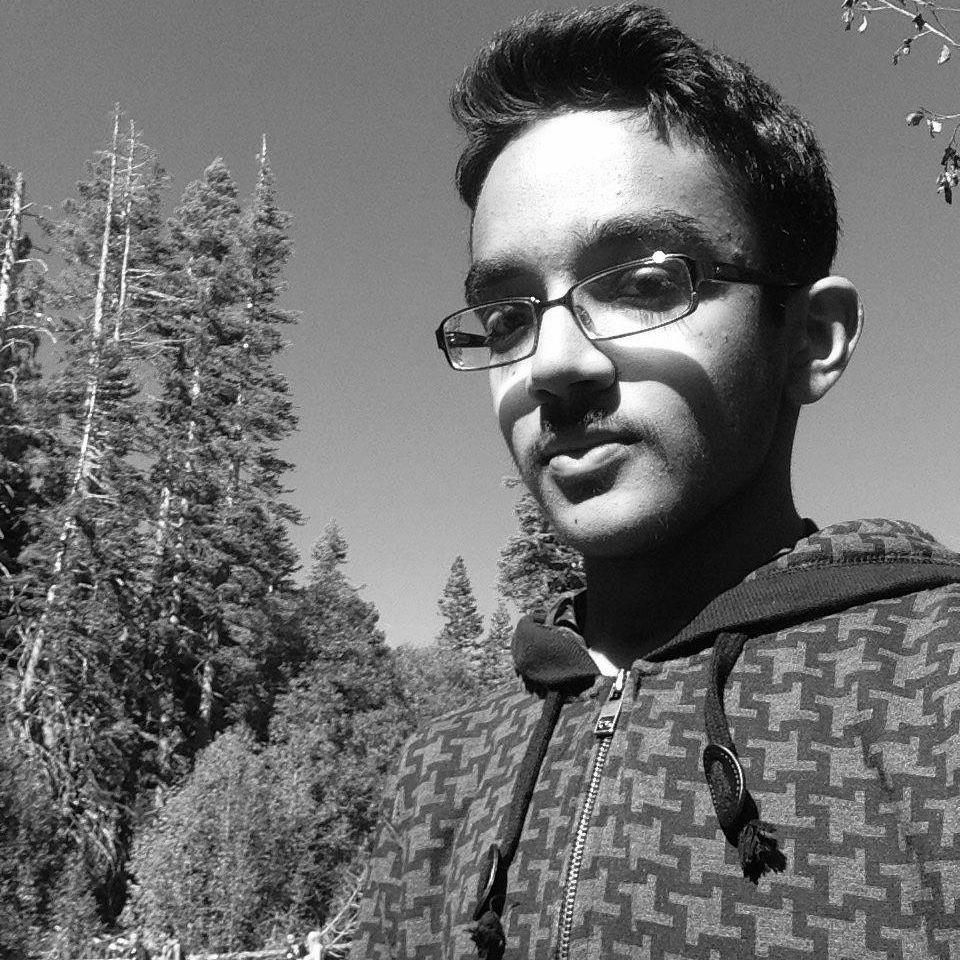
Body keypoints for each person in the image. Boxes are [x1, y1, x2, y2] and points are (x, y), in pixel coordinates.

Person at [351, 5, 960, 958]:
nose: (553, 363)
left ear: (811, 339)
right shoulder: (441, 767)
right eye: (507, 316)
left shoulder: (937, 686)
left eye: (642, 283)